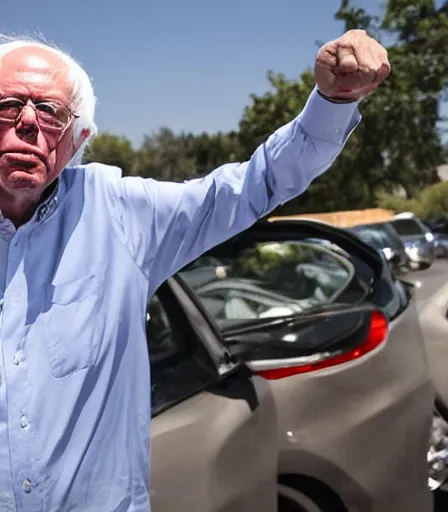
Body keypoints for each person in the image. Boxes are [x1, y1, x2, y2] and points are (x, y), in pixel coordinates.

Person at [0, 29, 388, 510]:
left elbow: (253, 185)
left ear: (77, 137)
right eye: (9, 105)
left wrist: (335, 100)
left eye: (51, 112)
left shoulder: (121, 213)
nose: (29, 123)